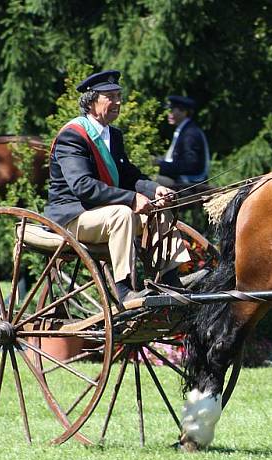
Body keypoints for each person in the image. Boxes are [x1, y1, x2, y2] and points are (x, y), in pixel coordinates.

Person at [45, 70, 190, 302]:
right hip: (72, 217)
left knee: (158, 209)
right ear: (91, 102)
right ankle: (123, 290)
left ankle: (170, 279)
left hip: (101, 215)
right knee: (122, 213)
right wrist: (131, 199)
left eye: (118, 95)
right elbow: (83, 186)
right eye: (110, 96)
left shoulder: (114, 135)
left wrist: (154, 190)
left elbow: (129, 176)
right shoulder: (73, 136)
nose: (118, 102)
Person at [154, 95, 210, 187]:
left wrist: (160, 165)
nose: (168, 113)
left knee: (149, 179)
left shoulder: (190, 134)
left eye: (171, 110)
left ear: (184, 111)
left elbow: (190, 165)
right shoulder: (184, 129)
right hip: (182, 179)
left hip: (190, 183)